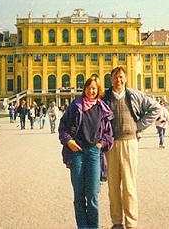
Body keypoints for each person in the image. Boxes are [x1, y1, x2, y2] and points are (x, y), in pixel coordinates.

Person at [102, 66, 160, 229]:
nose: (118, 80)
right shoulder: (105, 97)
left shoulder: (133, 95)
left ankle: (131, 223)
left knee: (129, 185)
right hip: (111, 144)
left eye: (121, 77)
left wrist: (139, 126)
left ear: (125, 79)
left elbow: (155, 108)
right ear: (111, 79)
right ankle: (117, 222)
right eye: (115, 77)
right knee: (113, 186)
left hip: (130, 142)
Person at [59, 76, 114, 229]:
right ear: (84, 89)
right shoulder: (75, 106)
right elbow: (62, 126)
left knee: (93, 196)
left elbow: (109, 134)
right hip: (77, 153)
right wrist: (68, 141)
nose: (91, 91)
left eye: (94, 88)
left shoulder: (102, 108)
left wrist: (100, 144)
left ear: (98, 90)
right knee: (79, 195)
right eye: (89, 88)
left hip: (94, 153)